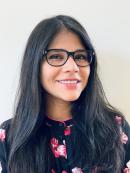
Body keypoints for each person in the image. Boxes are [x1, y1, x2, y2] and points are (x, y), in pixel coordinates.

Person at [0, 15, 130, 173]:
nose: (73, 67)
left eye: (80, 56)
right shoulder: (9, 136)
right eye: (55, 56)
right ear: (34, 64)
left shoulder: (115, 127)